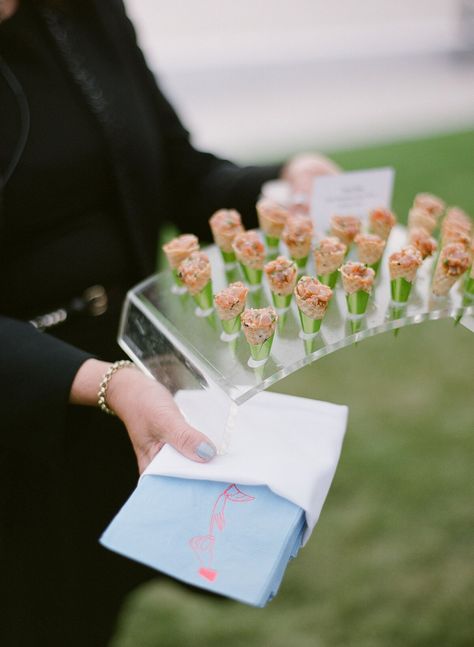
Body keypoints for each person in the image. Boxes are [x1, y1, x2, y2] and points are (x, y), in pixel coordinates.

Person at [0, 0, 339, 644]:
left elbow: (176, 172)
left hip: (132, 390)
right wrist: (109, 384)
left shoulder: (81, 12)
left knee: (91, 602)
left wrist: (278, 190)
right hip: (30, 405)